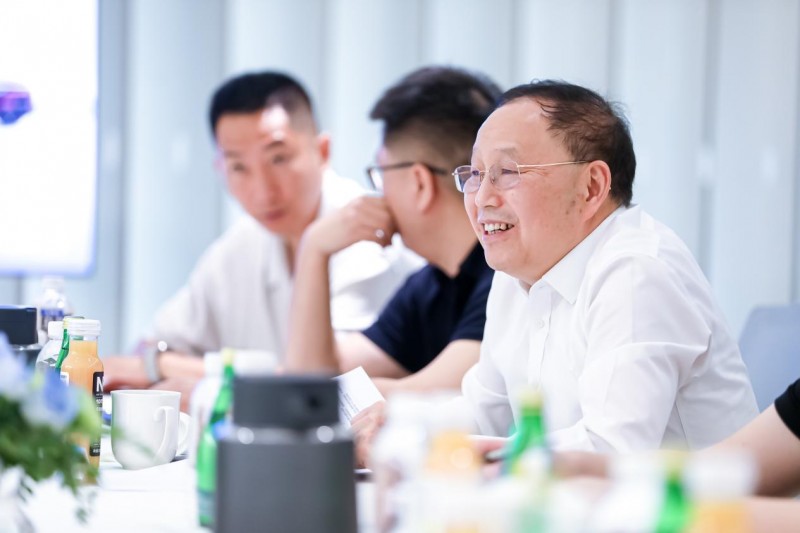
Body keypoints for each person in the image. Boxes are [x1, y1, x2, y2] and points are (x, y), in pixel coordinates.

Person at [353, 80, 758, 464]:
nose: (482, 198)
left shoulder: (637, 271)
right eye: (474, 174)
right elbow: (484, 411)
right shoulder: (515, 276)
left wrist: (438, 453)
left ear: (591, 187)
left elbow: (610, 449)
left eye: (507, 172)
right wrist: (404, 427)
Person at [103, 71, 421, 399]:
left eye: (278, 159)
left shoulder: (368, 238)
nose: (263, 191)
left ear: (322, 151)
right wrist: (158, 361)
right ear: (220, 169)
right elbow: (144, 349)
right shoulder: (242, 244)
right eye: (239, 167)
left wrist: (164, 366)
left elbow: (315, 382)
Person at [284, 66, 500, 396]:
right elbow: (310, 381)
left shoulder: (504, 279)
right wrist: (314, 248)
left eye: (381, 174)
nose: (378, 192)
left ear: (419, 183)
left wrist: (344, 393)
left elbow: (432, 395)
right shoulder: (429, 286)